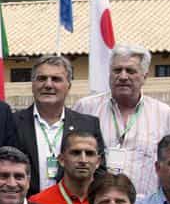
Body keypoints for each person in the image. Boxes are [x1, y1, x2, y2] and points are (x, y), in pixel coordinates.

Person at [73, 44, 170, 196]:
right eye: (117, 70)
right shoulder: (85, 108)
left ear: (145, 76)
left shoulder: (164, 115)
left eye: (130, 71)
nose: (123, 76)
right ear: (109, 74)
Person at [12, 56, 103, 196]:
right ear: (33, 84)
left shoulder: (88, 125)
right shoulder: (13, 123)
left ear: (68, 86)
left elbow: (99, 172)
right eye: (42, 78)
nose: (48, 85)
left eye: (56, 79)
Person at [29, 129, 103, 204]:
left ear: (98, 162)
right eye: (76, 153)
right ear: (61, 160)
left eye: (89, 153)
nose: (83, 160)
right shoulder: (38, 203)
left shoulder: (109, 202)